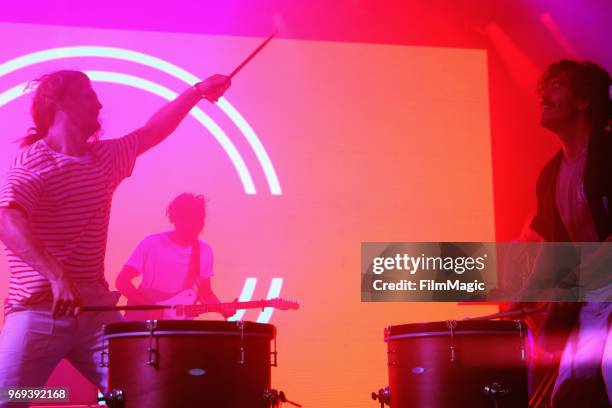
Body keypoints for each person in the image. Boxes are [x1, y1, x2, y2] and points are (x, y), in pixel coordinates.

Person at [0, 69, 230, 405]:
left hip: (94, 312)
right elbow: (7, 218)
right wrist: (57, 276)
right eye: (89, 96)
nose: (99, 104)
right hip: (38, 314)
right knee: (10, 398)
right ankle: (50, 397)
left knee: (148, 395)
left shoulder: (104, 159)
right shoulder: (36, 163)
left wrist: (197, 91)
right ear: (61, 103)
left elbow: (151, 132)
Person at [525, 60, 612, 407]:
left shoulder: (608, 155)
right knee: (566, 395)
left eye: (556, 86)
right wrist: (527, 293)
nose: (543, 95)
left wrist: (572, 280)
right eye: (541, 89)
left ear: (584, 101)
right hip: (593, 296)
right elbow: (553, 246)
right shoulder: (550, 175)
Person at [115, 193, 234, 320]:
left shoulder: (205, 251)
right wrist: (149, 307)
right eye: (190, 219)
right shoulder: (152, 243)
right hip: (146, 324)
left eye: (200, 219)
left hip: (179, 326)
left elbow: (205, 292)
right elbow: (122, 281)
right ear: (176, 218)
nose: (196, 224)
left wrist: (221, 309)